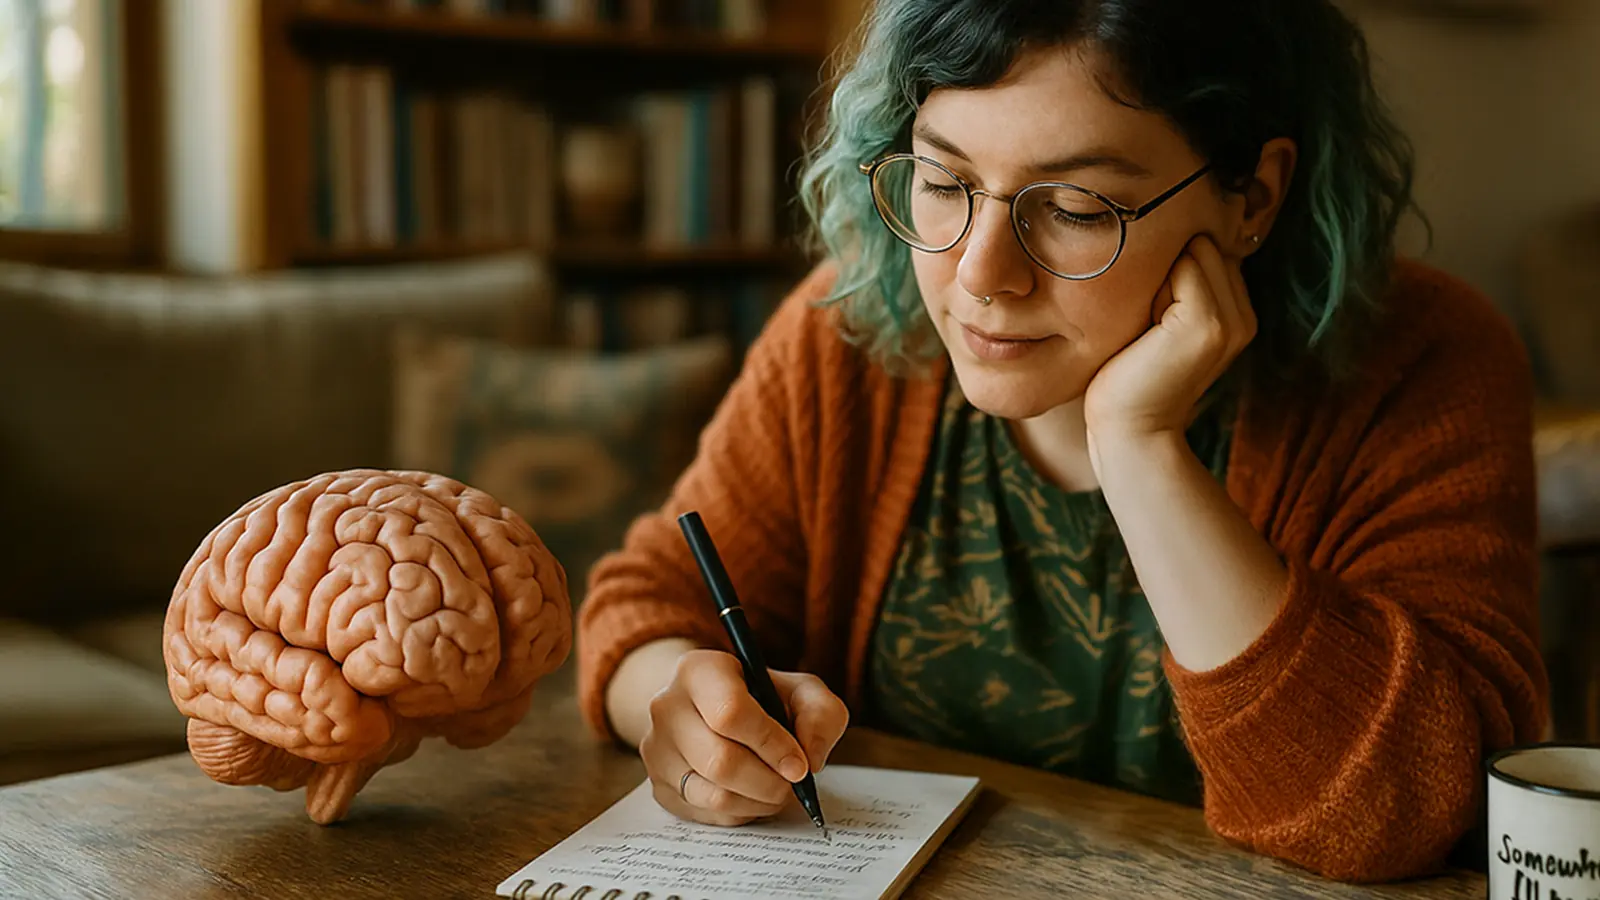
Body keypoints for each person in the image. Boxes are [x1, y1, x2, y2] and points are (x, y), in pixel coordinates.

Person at [575, 0, 1550, 883]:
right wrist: (679, 706)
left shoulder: (1423, 364)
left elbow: (1407, 813)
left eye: (1077, 209)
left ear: (1252, 196)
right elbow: (648, 606)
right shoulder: (850, 337)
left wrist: (1140, 446)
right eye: (944, 181)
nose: (980, 274)